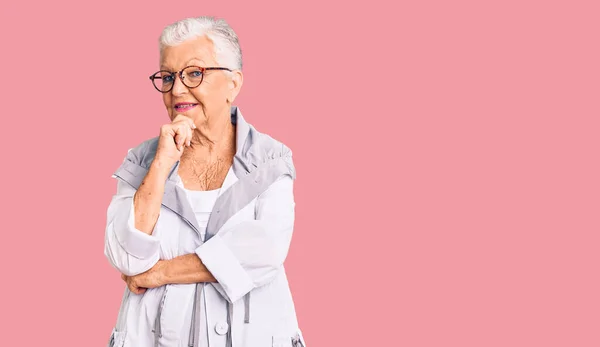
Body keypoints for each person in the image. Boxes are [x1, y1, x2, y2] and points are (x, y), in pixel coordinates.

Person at [103, 16, 306, 347]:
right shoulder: (141, 162)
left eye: (194, 73)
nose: (177, 89)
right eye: (168, 77)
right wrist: (162, 162)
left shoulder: (270, 159)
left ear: (233, 83)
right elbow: (126, 257)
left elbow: (263, 250)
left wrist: (158, 274)